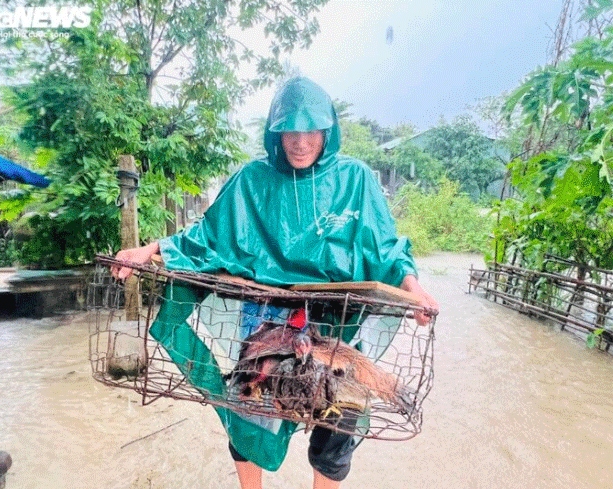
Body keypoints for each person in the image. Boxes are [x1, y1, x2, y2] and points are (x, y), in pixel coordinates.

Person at [112, 76, 439, 489]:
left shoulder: (355, 179)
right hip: (267, 316)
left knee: (338, 418)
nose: (300, 142)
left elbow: (386, 247)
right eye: (290, 131)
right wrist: (149, 249)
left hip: (338, 317)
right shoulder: (252, 180)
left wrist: (413, 287)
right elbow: (206, 236)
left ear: (327, 131)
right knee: (250, 403)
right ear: (276, 133)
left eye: (310, 131)